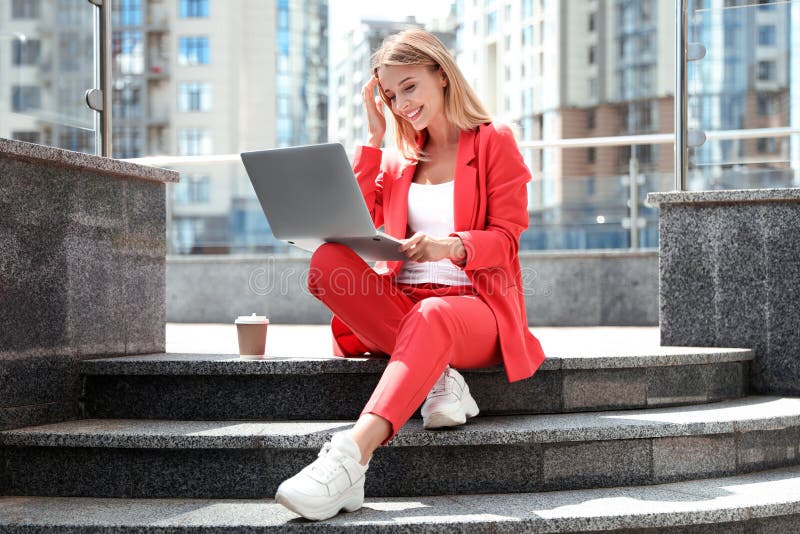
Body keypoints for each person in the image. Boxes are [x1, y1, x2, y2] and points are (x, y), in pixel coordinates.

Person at [274, 29, 547, 521]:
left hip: (472, 309)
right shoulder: (401, 157)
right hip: (406, 301)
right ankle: (437, 374)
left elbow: (507, 239)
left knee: (433, 314)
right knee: (328, 264)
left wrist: (454, 245)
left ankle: (350, 457)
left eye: (410, 87)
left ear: (441, 76)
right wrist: (375, 138)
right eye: (391, 94)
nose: (401, 104)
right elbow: (348, 222)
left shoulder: (493, 142)